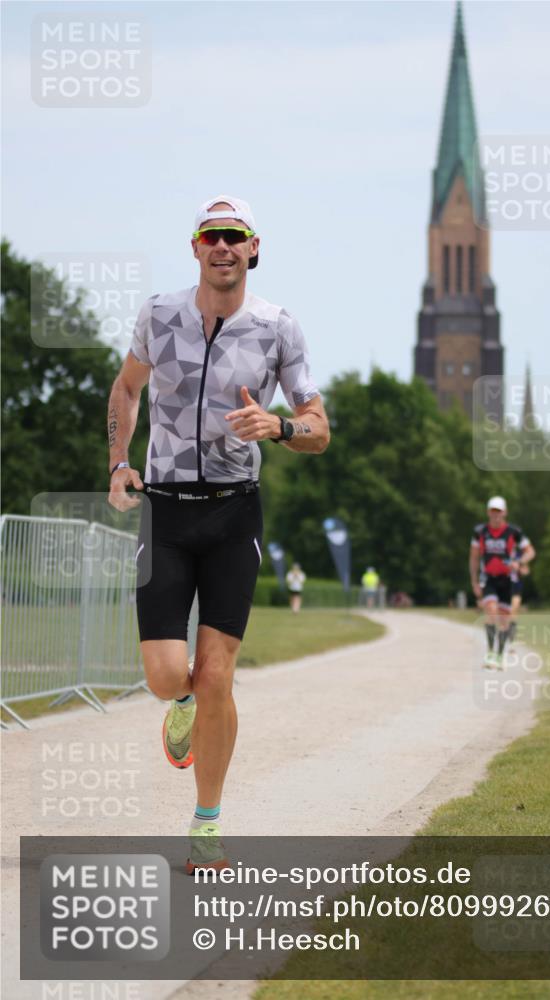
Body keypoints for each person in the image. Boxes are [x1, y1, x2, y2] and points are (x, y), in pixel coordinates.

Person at [107, 194, 330, 872]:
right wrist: (119, 462)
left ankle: (206, 827)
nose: (224, 246)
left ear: (253, 248)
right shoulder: (159, 314)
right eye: (212, 236)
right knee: (168, 674)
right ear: (196, 248)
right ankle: (178, 703)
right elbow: (125, 389)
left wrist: (281, 427)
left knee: (218, 678)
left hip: (235, 513)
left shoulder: (277, 328)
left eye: (235, 236)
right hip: (167, 511)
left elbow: (317, 425)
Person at [469, 496, 535, 670]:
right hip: (488, 578)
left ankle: (500, 654)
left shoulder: (514, 532)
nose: (495, 515)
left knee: (504, 619)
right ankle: (490, 653)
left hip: (507, 580)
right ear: (488, 512)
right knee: (490, 611)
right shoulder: (480, 532)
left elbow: (530, 552)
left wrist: (519, 563)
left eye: (499, 511)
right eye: (492, 511)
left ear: (504, 512)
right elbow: (474, 558)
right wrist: (474, 581)